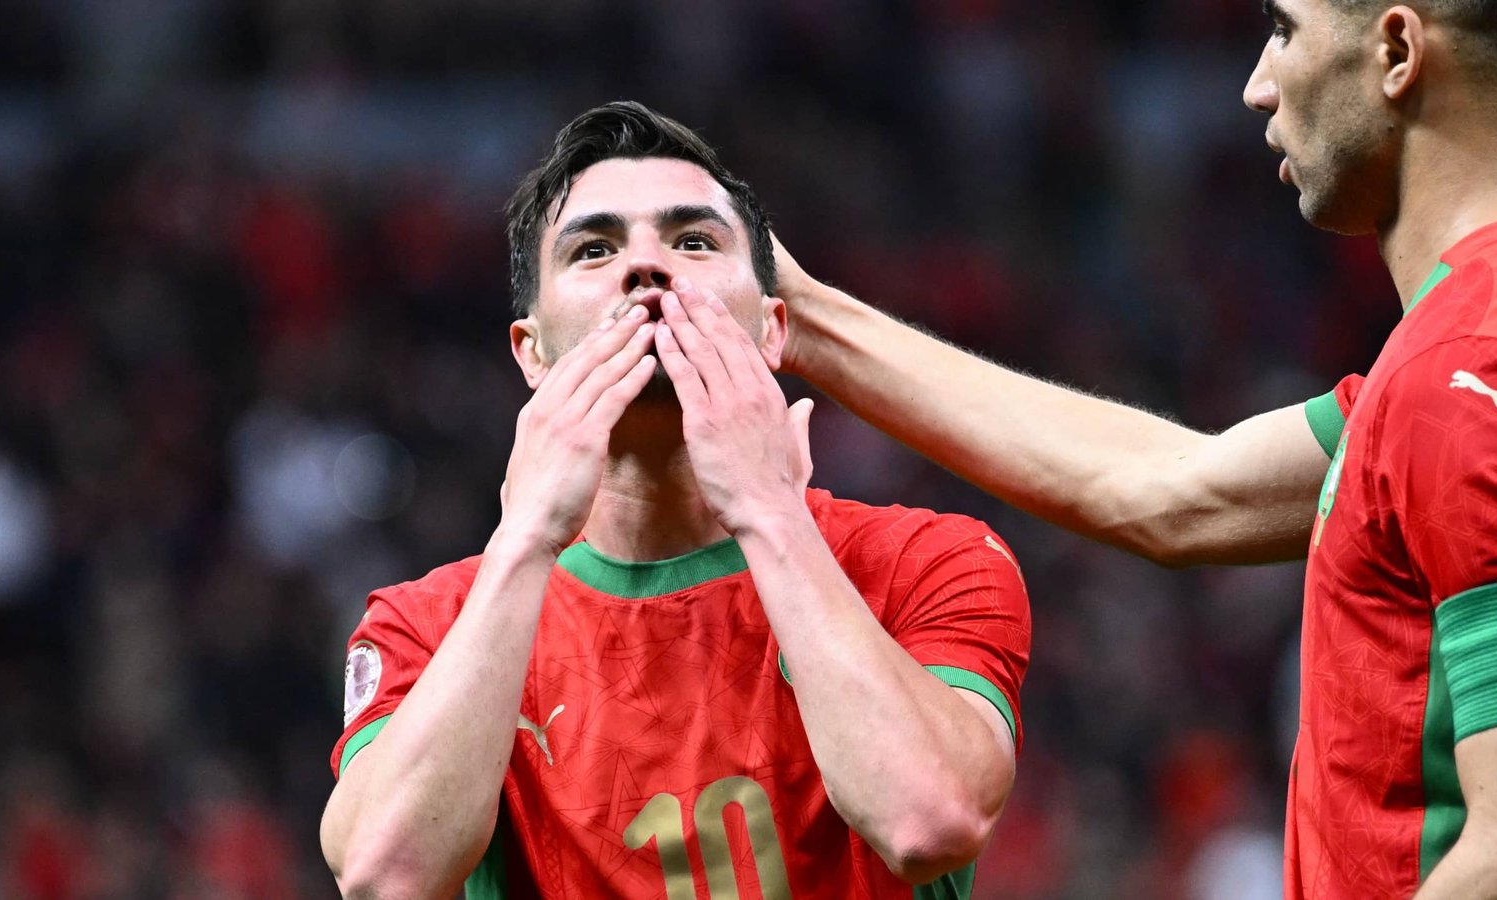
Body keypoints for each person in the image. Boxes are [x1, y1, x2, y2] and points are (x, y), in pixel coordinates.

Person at [744, 0, 1497, 897]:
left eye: (1285, 30)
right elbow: (1171, 490)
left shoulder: (1464, 371)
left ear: (1397, 49)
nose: (1257, 87)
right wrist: (800, 312)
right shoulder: (1436, 373)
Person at [317, 101, 1031, 900]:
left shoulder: (927, 563)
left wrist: (769, 512)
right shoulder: (425, 625)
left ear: (772, 329)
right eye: (594, 249)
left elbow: (928, 821)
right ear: (532, 353)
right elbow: (385, 875)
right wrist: (523, 539)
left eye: (693, 241)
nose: (646, 268)